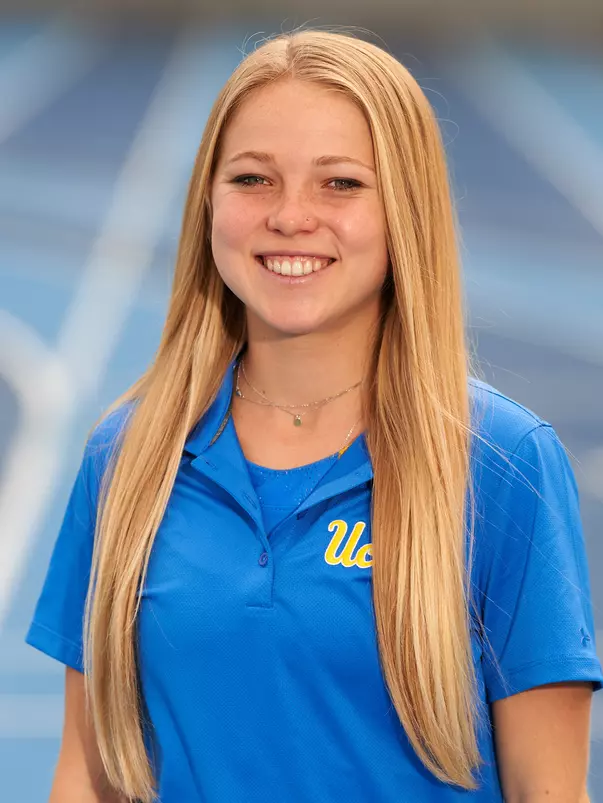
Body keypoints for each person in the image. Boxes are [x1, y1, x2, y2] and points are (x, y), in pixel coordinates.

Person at [26, 29, 602, 803]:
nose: (291, 215)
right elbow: (87, 776)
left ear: (404, 210)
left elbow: (549, 790)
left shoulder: (500, 460)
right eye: (253, 178)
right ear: (207, 201)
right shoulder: (129, 456)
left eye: (339, 183)